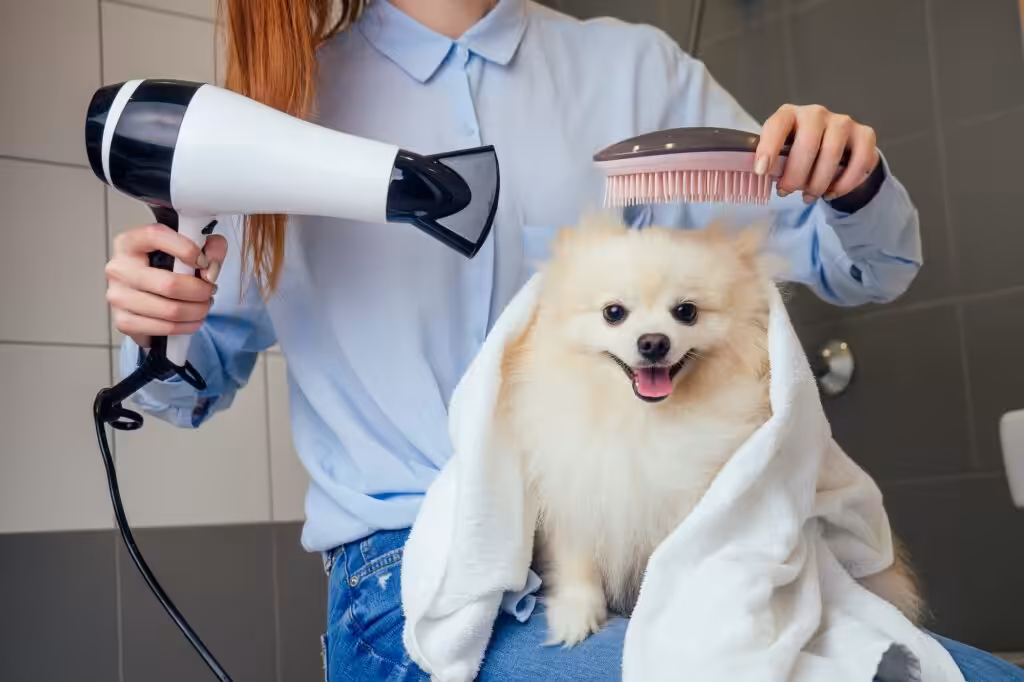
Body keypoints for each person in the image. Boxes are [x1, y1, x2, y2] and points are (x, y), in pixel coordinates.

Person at [104, 0, 1024, 680]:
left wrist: (846, 177)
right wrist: (156, 323)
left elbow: (861, 266)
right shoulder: (276, 115)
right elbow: (180, 392)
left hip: (662, 549)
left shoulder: (636, 72)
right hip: (412, 572)